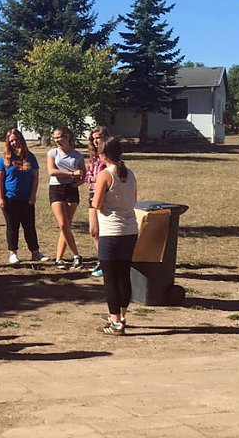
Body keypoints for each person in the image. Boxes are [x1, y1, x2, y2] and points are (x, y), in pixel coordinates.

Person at [91, 137, 138, 336]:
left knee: (110, 278)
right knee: (123, 275)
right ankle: (123, 315)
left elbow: (96, 203)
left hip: (111, 231)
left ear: (103, 156)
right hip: (130, 230)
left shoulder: (105, 174)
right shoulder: (130, 173)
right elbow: (133, 199)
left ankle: (115, 321)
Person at [0, 128, 45, 264]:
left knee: (29, 225)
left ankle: (35, 252)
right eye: (11, 141)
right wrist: (0, 198)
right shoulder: (4, 158)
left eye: (16, 139)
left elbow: (35, 177)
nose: (14, 143)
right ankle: (13, 253)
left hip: (27, 198)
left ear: (21, 140)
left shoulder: (30, 157)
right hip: (10, 198)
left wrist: (33, 195)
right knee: (12, 226)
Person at [47, 126, 86, 269]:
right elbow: (52, 171)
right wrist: (71, 174)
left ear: (67, 137)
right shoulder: (52, 153)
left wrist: (79, 181)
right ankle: (76, 255)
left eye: (59, 137)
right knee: (63, 224)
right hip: (56, 189)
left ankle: (59, 259)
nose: (57, 140)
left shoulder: (77, 155)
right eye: (55, 137)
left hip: (71, 189)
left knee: (67, 226)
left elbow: (83, 174)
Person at [85, 126, 110, 278]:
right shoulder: (93, 157)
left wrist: (96, 178)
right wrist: (94, 178)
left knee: (105, 230)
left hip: (106, 194)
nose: (95, 141)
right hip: (92, 193)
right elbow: (87, 176)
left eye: (98, 138)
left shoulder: (109, 156)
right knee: (93, 230)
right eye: (93, 138)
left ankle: (106, 263)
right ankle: (102, 259)